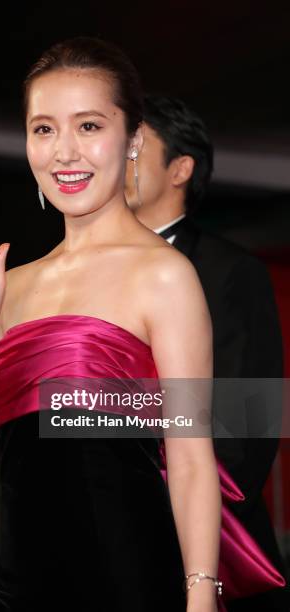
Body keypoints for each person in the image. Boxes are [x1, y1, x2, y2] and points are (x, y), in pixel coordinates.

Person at [0, 38, 222, 612]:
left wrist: (201, 597)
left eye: (88, 126)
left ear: (132, 139)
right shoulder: (4, 287)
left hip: (129, 587)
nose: (64, 152)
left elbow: (190, 458)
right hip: (13, 593)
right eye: (43, 129)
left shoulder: (163, 276)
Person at [124, 94, 289, 611]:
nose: (115, 158)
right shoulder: (79, 274)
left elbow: (248, 426)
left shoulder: (231, 272)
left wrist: (176, 518)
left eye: (135, 147)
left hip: (205, 541)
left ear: (181, 168)